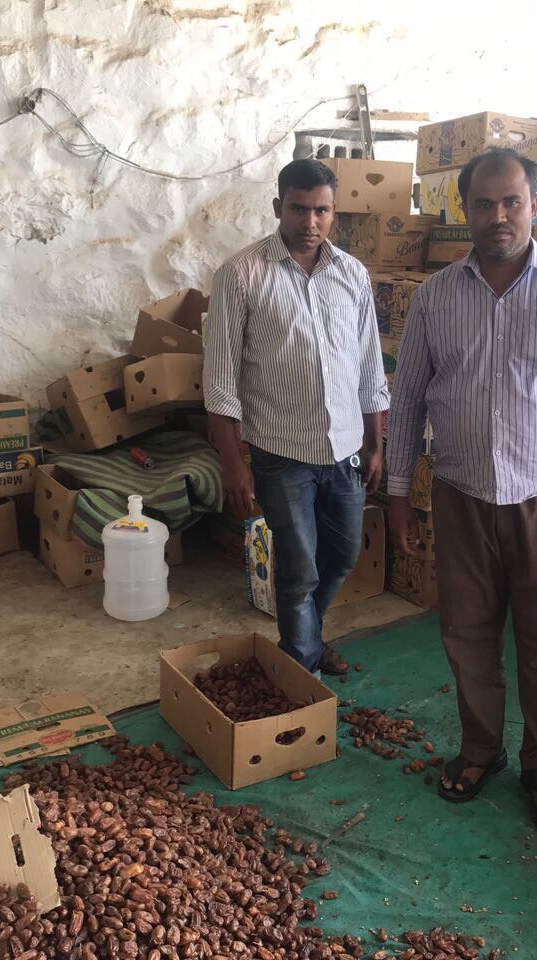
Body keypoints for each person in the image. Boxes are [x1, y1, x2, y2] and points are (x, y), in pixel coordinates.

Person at [386, 148, 537, 832]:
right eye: (485, 203)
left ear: (535, 206)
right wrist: (399, 494)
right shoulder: (436, 296)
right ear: (465, 209)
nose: (498, 215)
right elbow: (407, 402)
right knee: (468, 634)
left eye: (511, 202)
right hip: (461, 495)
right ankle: (481, 749)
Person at [204, 158, 389, 678]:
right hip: (282, 453)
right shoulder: (240, 274)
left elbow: (369, 366)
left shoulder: (352, 274)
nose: (310, 222)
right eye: (298, 209)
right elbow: (220, 380)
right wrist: (233, 463)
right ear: (278, 207)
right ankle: (303, 672)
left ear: (335, 212)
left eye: (321, 211)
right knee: (299, 568)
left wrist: (375, 444)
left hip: (346, 451)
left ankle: (307, 638)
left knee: (343, 557)